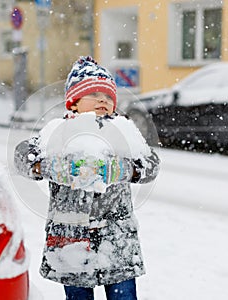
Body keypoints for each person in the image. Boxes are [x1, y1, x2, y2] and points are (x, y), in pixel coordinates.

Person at [14, 56, 160, 299]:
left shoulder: (123, 130)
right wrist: (50, 167)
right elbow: (23, 157)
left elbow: (151, 163)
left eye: (109, 96)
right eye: (94, 94)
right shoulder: (57, 132)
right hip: (71, 241)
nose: (103, 100)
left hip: (118, 240)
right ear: (73, 102)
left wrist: (124, 169)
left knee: (123, 295)